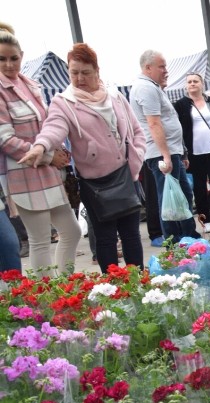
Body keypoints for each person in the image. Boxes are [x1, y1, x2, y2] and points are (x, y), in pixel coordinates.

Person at [18, 43, 145, 274]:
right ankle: (114, 289)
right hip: (95, 184)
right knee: (105, 239)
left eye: (85, 72)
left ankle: (140, 283)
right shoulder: (63, 102)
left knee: (131, 235)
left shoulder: (115, 96)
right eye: (73, 72)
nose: (79, 78)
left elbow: (137, 132)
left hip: (127, 176)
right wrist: (41, 145)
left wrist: (135, 163)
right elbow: (53, 127)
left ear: (97, 71)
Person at [0, 23, 80, 275]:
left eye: (14, 58)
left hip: (47, 172)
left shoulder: (30, 84)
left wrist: (57, 150)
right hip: (21, 173)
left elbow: (48, 125)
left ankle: (66, 287)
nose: (9, 64)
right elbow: (5, 140)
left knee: (72, 231)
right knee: (40, 240)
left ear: (22, 56)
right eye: (1, 59)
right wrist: (48, 155)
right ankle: (48, 300)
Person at [130, 50, 199, 243]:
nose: (165, 70)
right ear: (148, 67)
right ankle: (175, 240)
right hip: (161, 153)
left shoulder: (153, 87)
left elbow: (168, 121)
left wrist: (179, 153)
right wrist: (166, 156)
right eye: (161, 66)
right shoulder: (146, 88)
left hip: (170, 151)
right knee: (170, 198)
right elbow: (154, 123)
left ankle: (188, 235)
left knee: (182, 194)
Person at [174, 73, 210, 234]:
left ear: (202, 84)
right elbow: (176, 129)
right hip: (193, 153)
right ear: (186, 86)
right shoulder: (180, 105)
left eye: (195, 81)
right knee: (199, 188)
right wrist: (183, 152)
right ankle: (205, 220)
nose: (192, 84)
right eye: (189, 82)